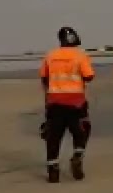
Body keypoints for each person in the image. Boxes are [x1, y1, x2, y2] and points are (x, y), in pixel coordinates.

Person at [39, 26, 95, 183]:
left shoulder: (50, 55)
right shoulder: (80, 55)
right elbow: (89, 76)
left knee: (53, 137)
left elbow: (44, 78)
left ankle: (53, 171)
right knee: (82, 131)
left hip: (55, 102)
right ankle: (77, 155)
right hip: (75, 102)